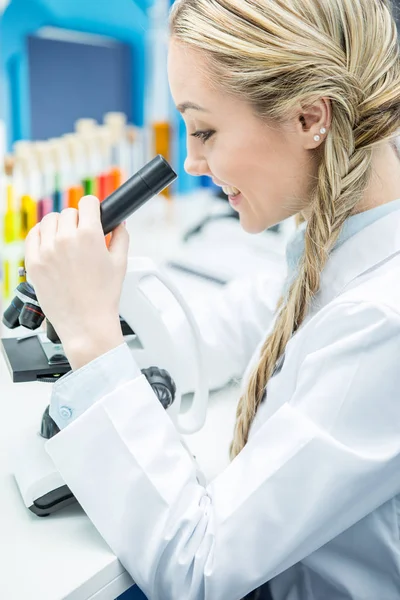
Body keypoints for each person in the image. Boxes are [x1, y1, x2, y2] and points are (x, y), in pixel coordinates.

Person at [24, 1, 400, 598]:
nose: (194, 163)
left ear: (309, 118)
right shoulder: (337, 244)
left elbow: (200, 569)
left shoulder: (383, 322)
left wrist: (94, 341)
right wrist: (96, 313)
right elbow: (234, 324)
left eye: (204, 130)